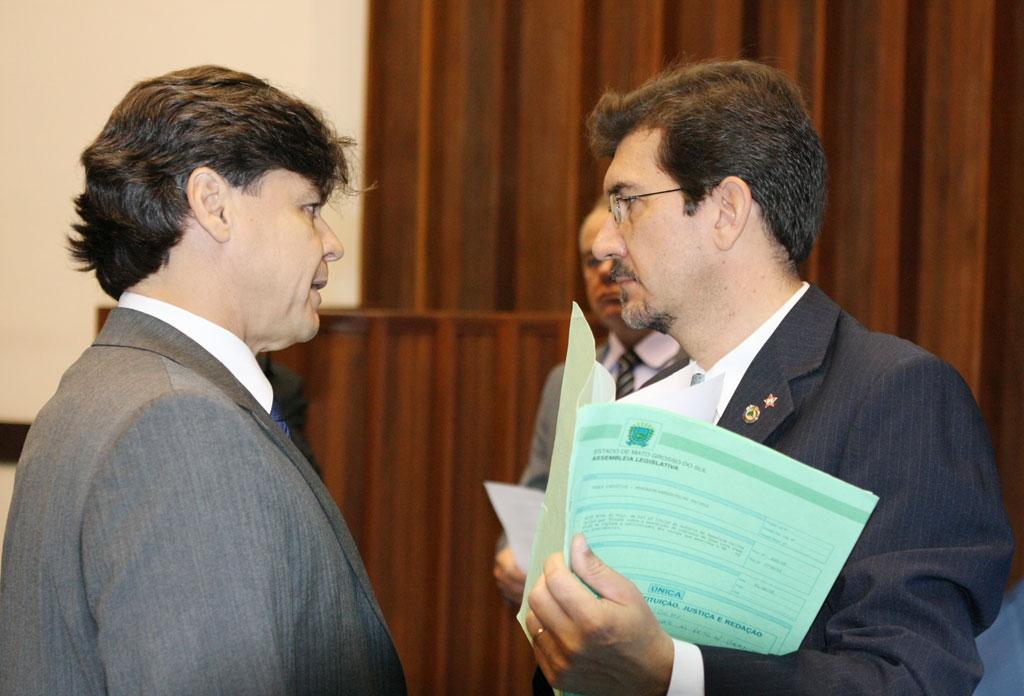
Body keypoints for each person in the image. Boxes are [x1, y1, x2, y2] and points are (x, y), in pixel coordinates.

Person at [524, 60, 1013, 695]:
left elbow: (911, 678)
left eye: (629, 204)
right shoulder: (640, 407)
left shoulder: (898, 396)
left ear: (726, 210)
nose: (605, 244)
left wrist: (674, 673)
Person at [0, 66, 406, 695]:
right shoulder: (181, 426)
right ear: (214, 204)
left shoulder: (111, 384)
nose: (332, 244)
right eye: (308, 208)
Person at [493, 203, 683, 607]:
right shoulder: (566, 379)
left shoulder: (699, 373)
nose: (604, 272)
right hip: (570, 611)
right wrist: (513, 551)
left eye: (618, 255)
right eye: (591, 261)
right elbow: (539, 491)